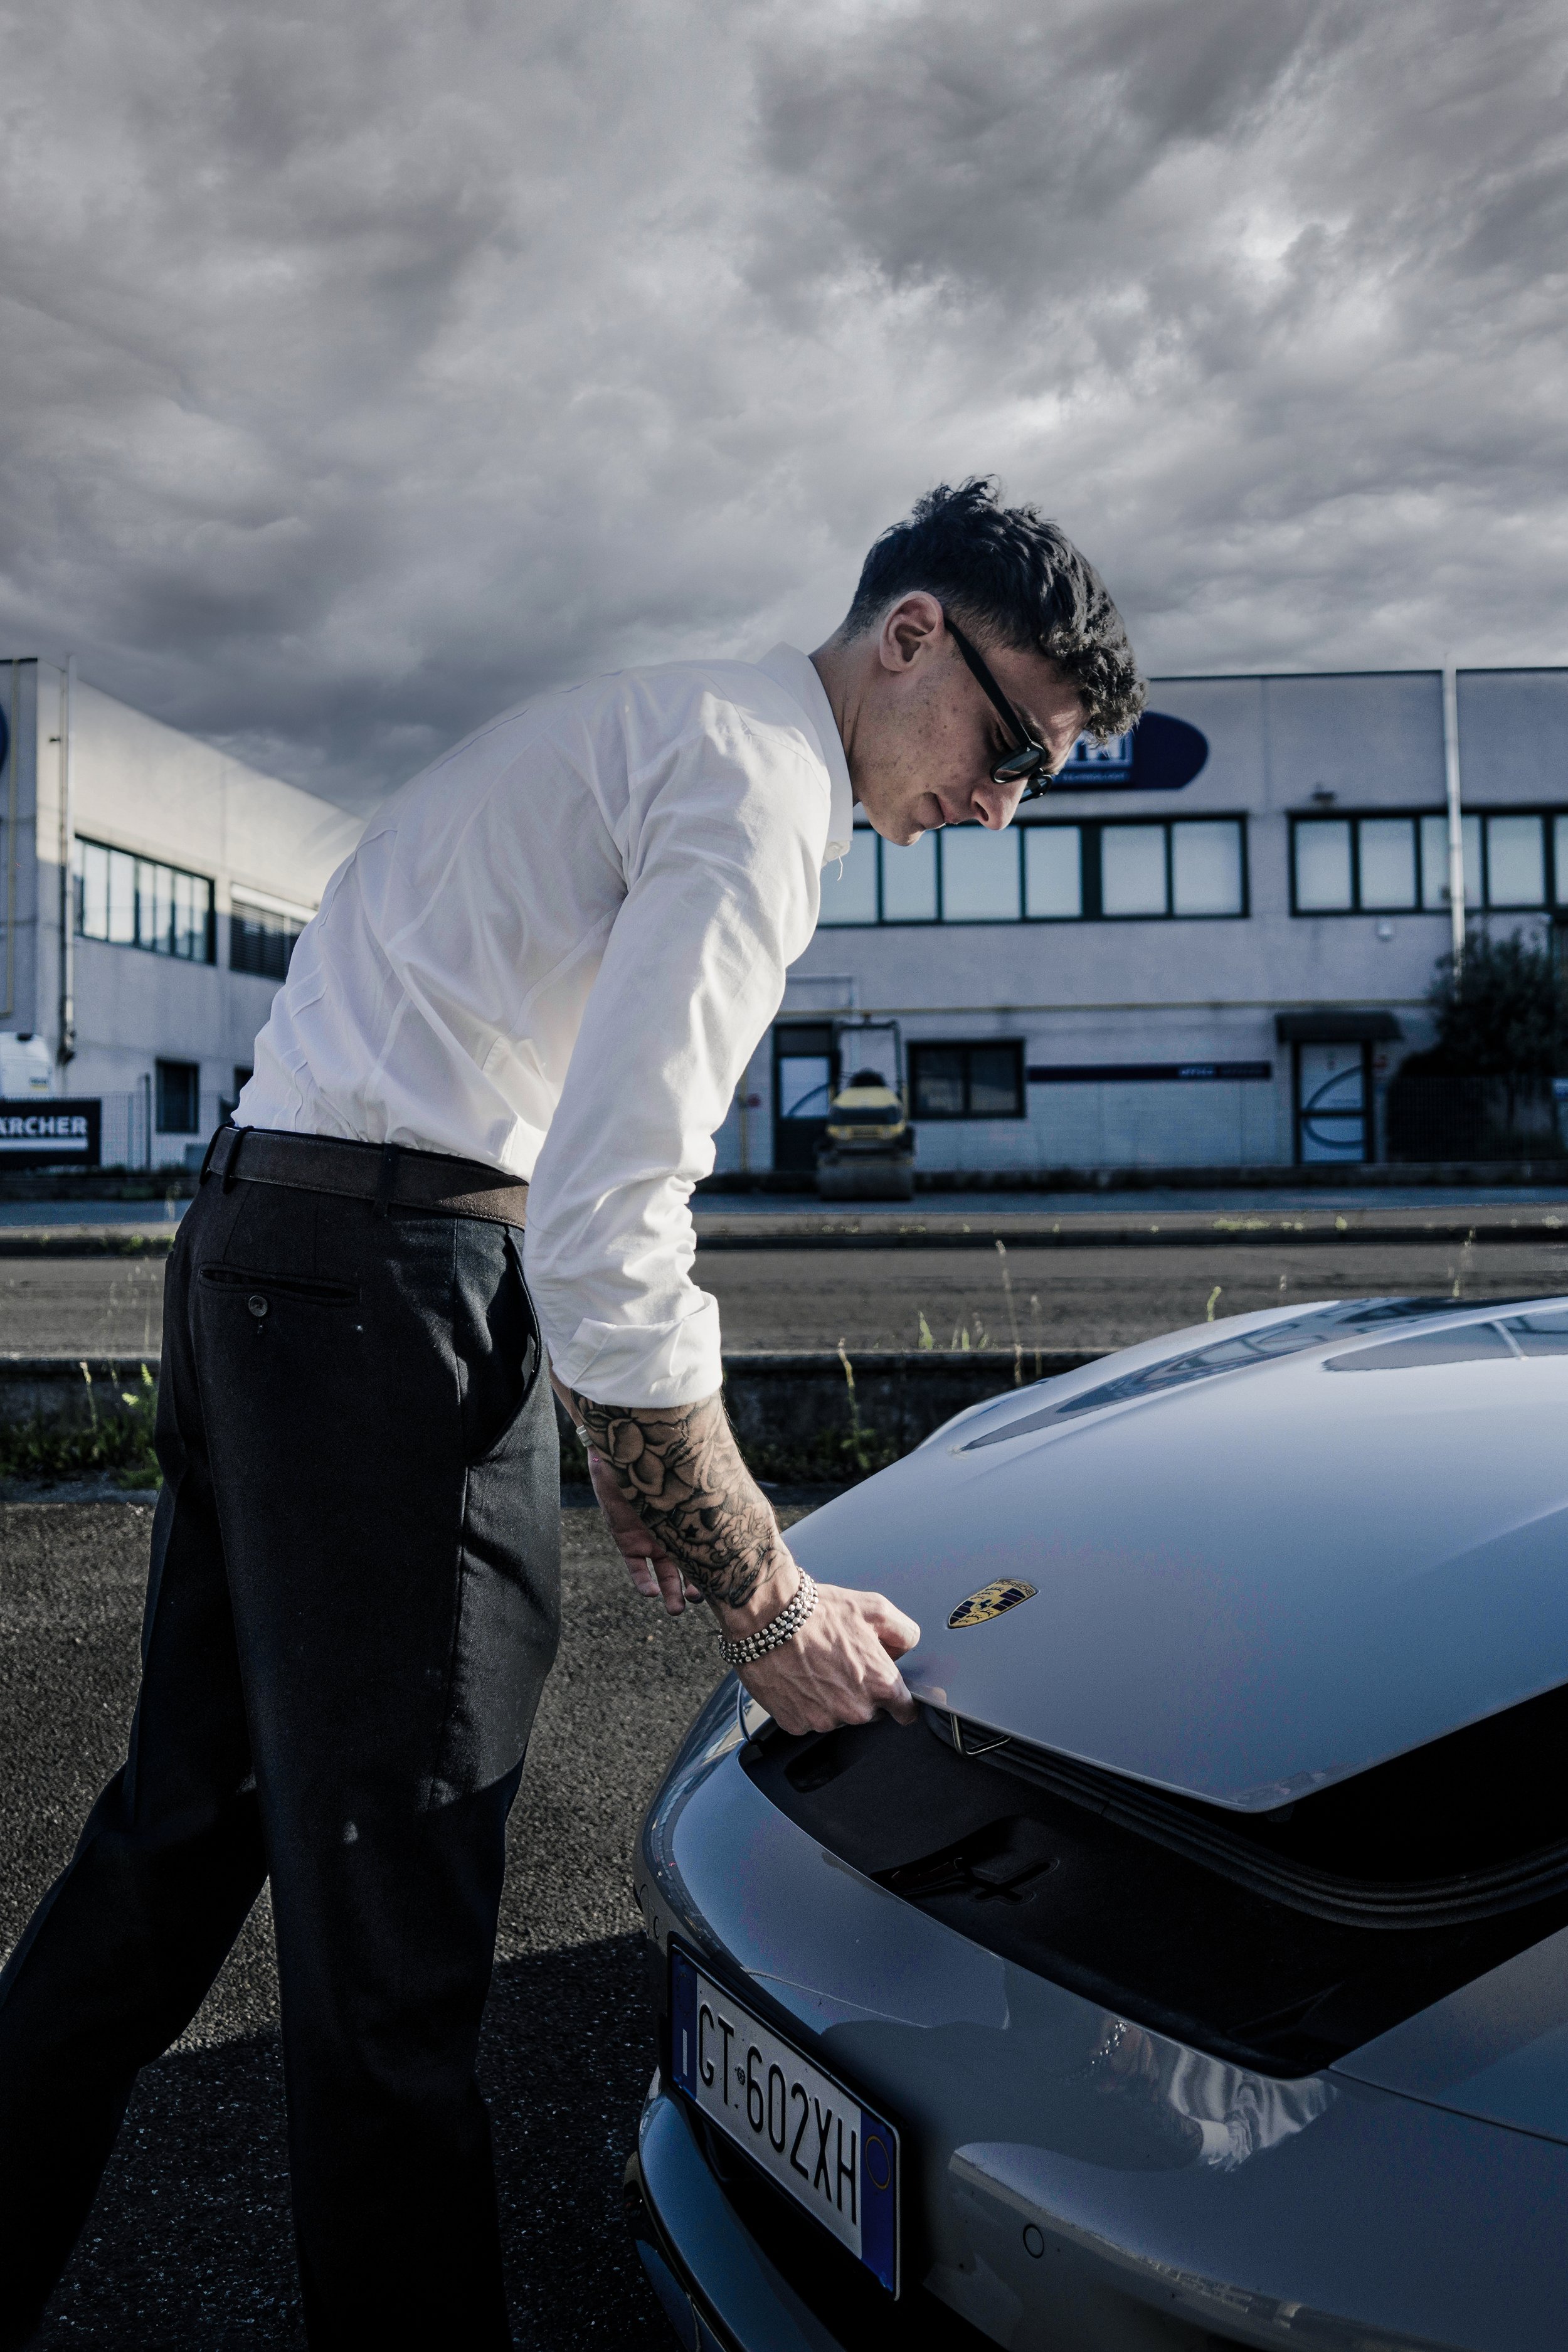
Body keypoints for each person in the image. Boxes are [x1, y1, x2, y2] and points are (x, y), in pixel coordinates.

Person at [0, 479, 1144, 2347]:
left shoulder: (648, 720)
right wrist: (765, 1601)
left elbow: (541, 1163)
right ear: (912, 633)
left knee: (177, 1839)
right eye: (1006, 744)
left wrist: (617, 1432)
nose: (995, 805)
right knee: (395, 1949)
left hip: (262, 1250)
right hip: (384, 1300)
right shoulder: (760, 792)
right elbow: (620, 1223)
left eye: (1042, 783)